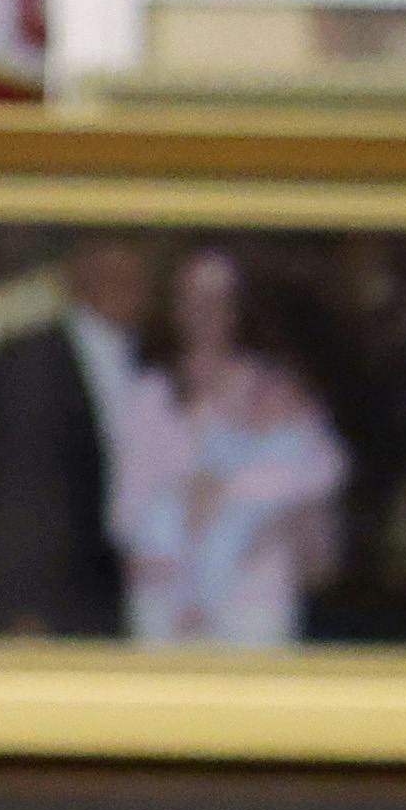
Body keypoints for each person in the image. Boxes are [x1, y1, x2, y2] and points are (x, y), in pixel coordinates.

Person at [111, 246, 350, 648]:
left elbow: (318, 490)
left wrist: (260, 511)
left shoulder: (277, 391)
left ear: (239, 308)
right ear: (174, 306)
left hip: (255, 607)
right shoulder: (147, 397)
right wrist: (186, 503)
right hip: (166, 608)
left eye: (220, 299)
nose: (206, 311)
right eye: (192, 297)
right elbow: (126, 518)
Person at [0, 235, 152, 637]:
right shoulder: (33, 360)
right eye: (108, 267)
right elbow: (16, 493)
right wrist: (25, 607)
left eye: (133, 270)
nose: (123, 281)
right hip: (48, 610)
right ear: (77, 270)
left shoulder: (151, 359)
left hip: (125, 602)